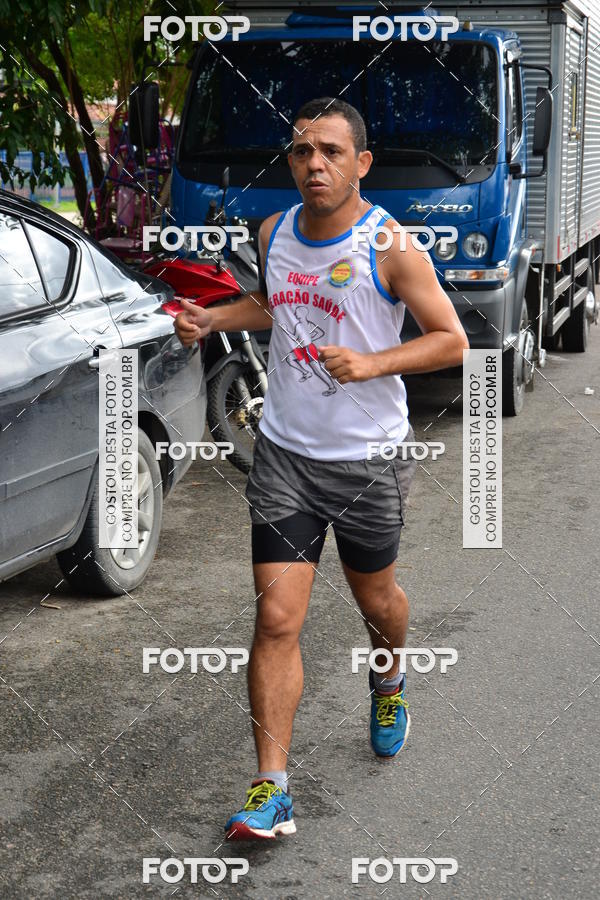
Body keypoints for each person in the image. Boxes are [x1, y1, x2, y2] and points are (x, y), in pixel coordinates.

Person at [174, 97, 469, 841]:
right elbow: (276, 306)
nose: (315, 164)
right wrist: (212, 319)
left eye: (331, 152)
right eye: (303, 151)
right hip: (286, 457)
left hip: (370, 463)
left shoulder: (392, 245)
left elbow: (451, 341)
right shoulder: (274, 232)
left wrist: (373, 362)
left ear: (361, 164)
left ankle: (391, 675)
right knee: (276, 617)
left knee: (378, 602)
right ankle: (271, 789)